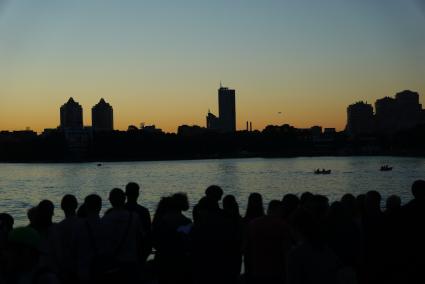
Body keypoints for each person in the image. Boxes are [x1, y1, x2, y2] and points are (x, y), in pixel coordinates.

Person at [102, 188, 144, 284]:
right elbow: (141, 238)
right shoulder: (135, 217)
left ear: (111, 201)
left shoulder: (106, 219)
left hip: (112, 262)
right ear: (124, 199)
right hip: (131, 261)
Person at [247, 200, 291, 284]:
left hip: (257, 267)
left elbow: (247, 247)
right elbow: (286, 249)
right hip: (277, 269)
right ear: (279, 210)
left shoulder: (253, 223)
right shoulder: (282, 225)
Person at [75, 194, 105, 284]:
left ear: (86, 207)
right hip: (101, 268)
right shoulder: (106, 224)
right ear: (100, 207)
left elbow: (73, 247)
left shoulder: (78, 226)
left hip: (83, 268)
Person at [51, 195, 80, 283]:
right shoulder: (84, 224)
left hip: (66, 268)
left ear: (62, 207)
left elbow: (58, 251)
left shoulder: (59, 227)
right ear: (76, 206)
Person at [124, 182, 152, 263]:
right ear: (137, 194)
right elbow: (148, 234)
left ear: (126, 194)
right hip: (139, 250)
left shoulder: (116, 211)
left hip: (122, 252)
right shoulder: (143, 211)